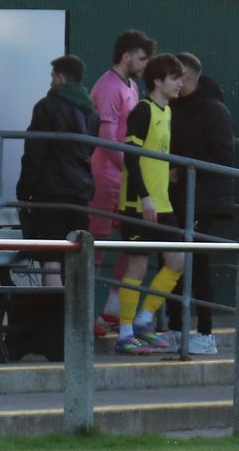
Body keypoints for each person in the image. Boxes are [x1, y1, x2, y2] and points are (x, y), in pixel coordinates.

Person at [115, 54, 187, 354]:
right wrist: (144, 196)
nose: (180, 84)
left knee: (178, 261)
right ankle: (125, 333)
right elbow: (130, 156)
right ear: (158, 81)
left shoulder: (167, 111)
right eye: (175, 78)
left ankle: (144, 321)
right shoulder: (142, 110)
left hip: (163, 203)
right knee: (137, 264)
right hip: (138, 202)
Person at [164, 53, 234, 356]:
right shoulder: (174, 107)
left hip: (203, 199)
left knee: (198, 263)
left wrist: (183, 169)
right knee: (173, 259)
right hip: (177, 197)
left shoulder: (213, 110)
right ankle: (175, 327)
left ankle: (205, 332)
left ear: (186, 77)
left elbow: (223, 155)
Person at [90, 30, 154, 333]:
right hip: (104, 178)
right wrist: (130, 169)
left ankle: (113, 308)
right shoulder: (107, 87)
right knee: (96, 245)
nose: (144, 65)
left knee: (132, 241)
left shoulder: (132, 86)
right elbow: (106, 139)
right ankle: (85, 311)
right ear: (126, 56)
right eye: (141, 58)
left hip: (124, 177)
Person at [14, 54, 98, 250]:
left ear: (60, 77)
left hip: (50, 191)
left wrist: (23, 192)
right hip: (80, 192)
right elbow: (89, 150)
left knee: (50, 254)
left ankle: (53, 283)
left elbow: (35, 153)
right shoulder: (91, 111)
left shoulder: (46, 106)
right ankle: (73, 283)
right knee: (76, 254)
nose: (51, 81)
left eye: (52, 76)